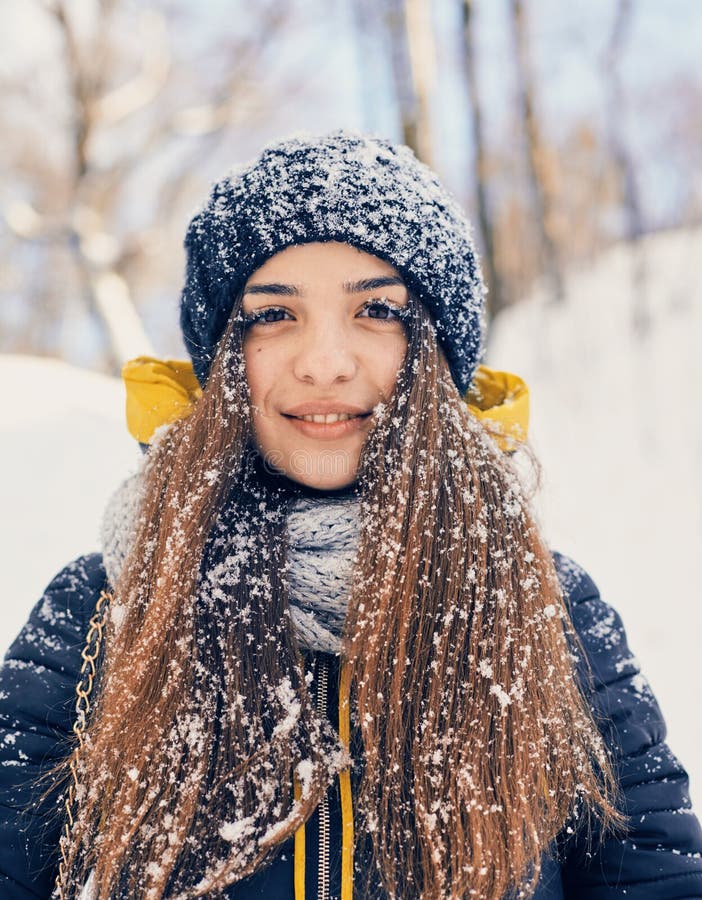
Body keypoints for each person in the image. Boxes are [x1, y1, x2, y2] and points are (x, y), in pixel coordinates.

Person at [1, 130, 701, 900]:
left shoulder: (550, 607)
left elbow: (655, 876)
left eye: (375, 309)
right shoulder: (105, 604)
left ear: (435, 350)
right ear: (225, 355)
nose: (325, 360)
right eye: (274, 315)